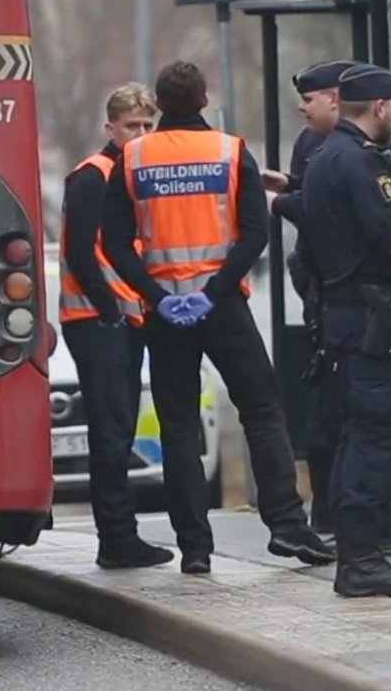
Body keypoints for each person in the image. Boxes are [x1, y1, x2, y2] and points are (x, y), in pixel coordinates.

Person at [101, 61, 335, 574]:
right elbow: (255, 233)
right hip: (222, 305)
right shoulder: (231, 151)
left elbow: (115, 242)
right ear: (205, 101)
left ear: (158, 106)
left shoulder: (133, 158)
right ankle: (287, 526)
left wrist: (157, 297)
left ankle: (195, 549)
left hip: (165, 310)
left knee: (178, 426)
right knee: (262, 410)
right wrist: (215, 290)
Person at [299, 63, 391, 597]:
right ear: (380, 107)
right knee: (372, 436)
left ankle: (356, 552)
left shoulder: (322, 158)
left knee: (356, 433)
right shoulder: (360, 161)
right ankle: (361, 558)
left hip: (344, 313)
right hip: (370, 317)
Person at [59, 83, 175, 569]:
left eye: (148, 125)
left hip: (121, 319)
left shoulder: (133, 175)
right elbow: (82, 253)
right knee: (111, 432)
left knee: (121, 429)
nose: (141, 133)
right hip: (96, 320)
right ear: (111, 128)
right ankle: (117, 538)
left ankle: (122, 535)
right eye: (132, 126)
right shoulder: (95, 176)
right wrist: (110, 308)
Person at [262, 59, 358, 539]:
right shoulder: (309, 143)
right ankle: (325, 506)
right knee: (326, 406)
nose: (301, 106)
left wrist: (281, 203)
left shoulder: (361, 146)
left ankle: (356, 511)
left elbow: (326, 213)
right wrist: (292, 189)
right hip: (319, 286)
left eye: (310, 97)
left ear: (335, 100)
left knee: (354, 409)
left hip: (351, 290)